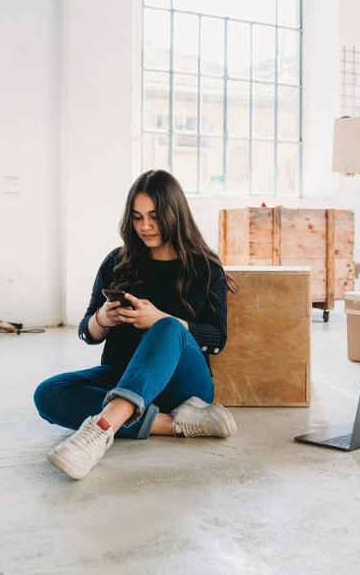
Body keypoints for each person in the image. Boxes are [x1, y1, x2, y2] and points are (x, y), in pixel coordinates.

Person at [34, 169, 237, 479]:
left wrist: (158, 319)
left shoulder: (205, 268)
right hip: (123, 376)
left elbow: (217, 338)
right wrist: (103, 317)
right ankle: (175, 424)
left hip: (184, 389)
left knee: (168, 327)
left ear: (175, 214)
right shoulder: (117, 261)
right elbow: (87, 332)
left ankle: (101, 430)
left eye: (154, 216)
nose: (145, 226)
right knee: (49, 393)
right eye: (137, 216)